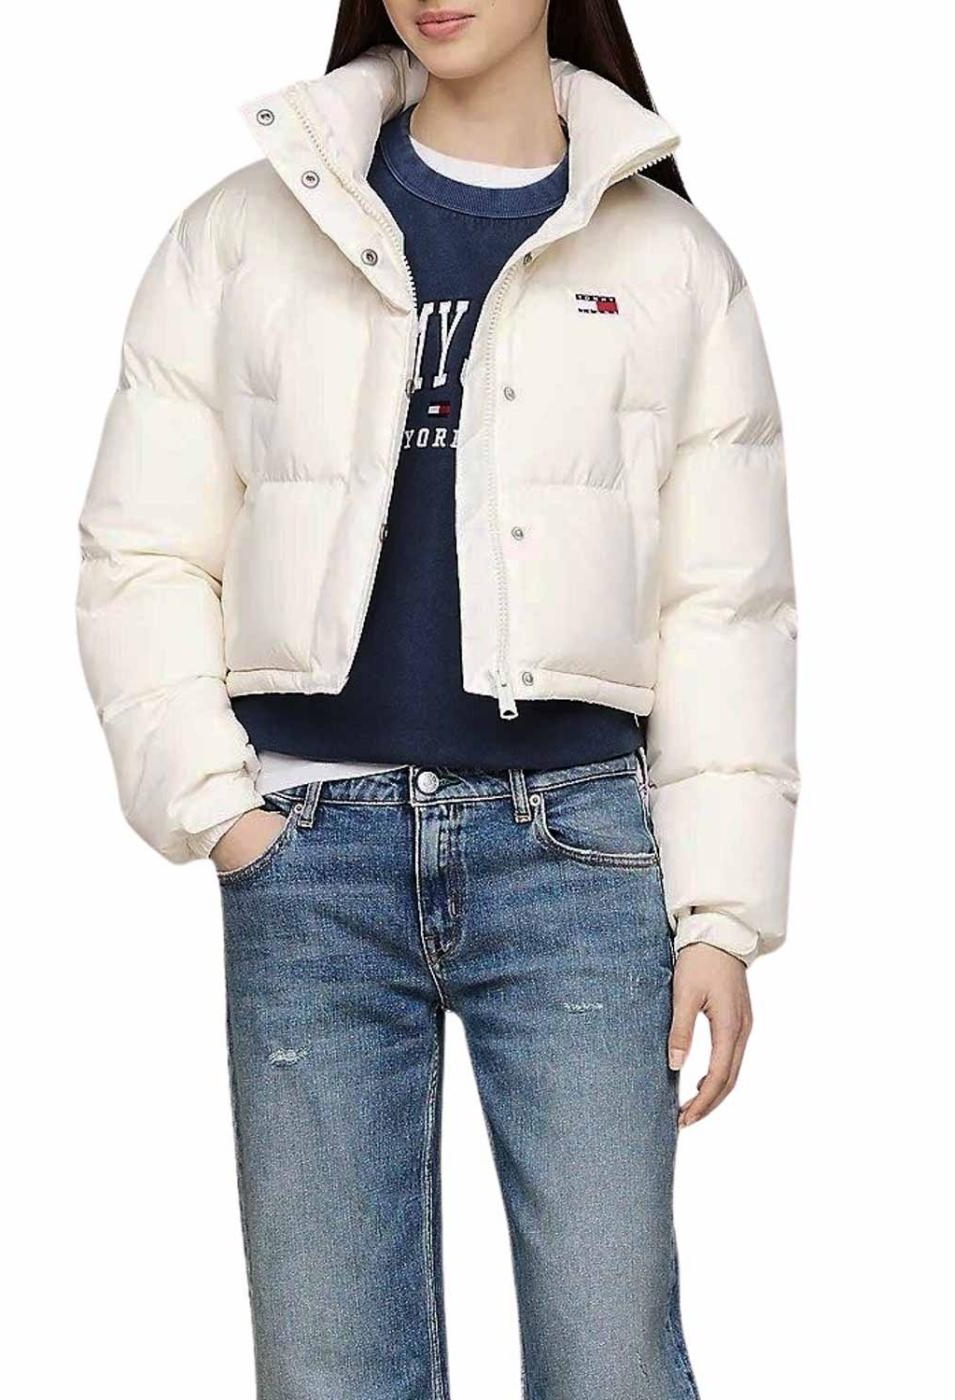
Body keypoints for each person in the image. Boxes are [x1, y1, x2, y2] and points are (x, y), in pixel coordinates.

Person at [77, 2, 798, 1395]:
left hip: (581, 863)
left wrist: (721, 915)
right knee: (330, 1370)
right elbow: (143, 550)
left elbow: (724, 607)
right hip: (312, 863)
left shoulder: (673, 261)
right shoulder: (244, 230)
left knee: (610, 1362)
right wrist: (224, 815)